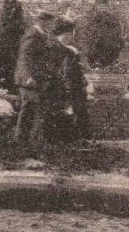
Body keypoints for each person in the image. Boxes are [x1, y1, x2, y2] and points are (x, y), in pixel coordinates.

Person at [12, 10, 60, 146]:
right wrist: (28, 76)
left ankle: (23, 141)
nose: (50, 25)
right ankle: (29, 142)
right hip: (29, 79)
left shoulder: (42, 34)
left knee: (29, 109)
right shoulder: (33, 35)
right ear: (40, 21)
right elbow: (24, 58)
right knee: (35, 108)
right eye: (48, 21)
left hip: (36, 78)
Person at [52, 18, 90, 143]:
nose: (71, 37)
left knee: (76, 114)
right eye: (69, 34)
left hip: (72, 87)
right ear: (63, 34)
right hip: (67, 89)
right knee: (72, 114)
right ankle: (75, 140)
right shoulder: (62, 50)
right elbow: (66, 72)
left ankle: (77, 140)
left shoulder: (66, 49)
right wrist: (69, 88)